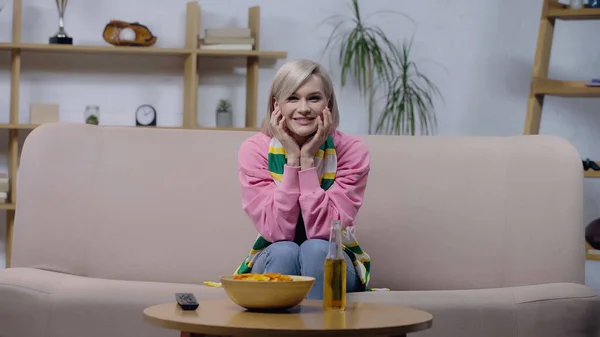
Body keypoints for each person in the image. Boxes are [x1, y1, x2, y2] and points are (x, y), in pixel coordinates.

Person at [234, 59, 371, 300]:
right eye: (293, 98)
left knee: (317, 249)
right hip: (275, 254)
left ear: (328, 103)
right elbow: (277, 232)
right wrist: (291, 161)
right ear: (277, 105)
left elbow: (326, 231)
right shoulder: (254, 150)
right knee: (284, 251)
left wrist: (307, 160)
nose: (304, 108)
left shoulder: (351, 151)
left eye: (314, 98)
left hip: (333, 258)